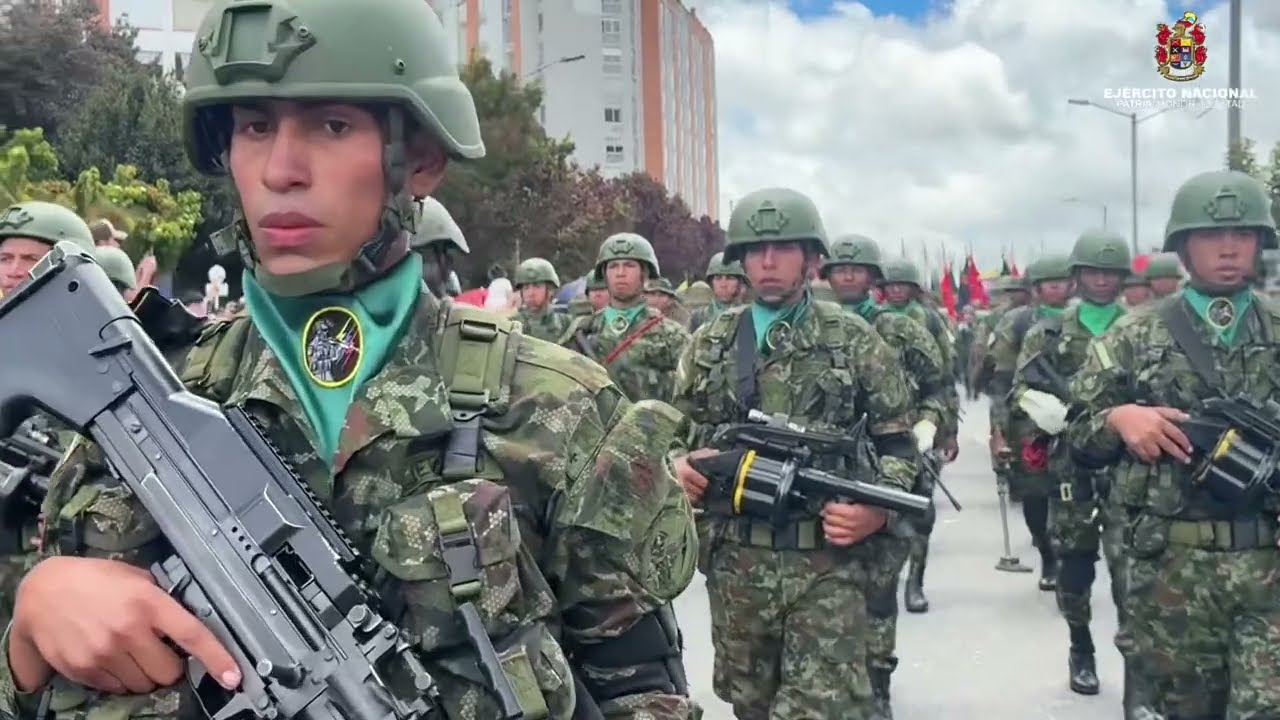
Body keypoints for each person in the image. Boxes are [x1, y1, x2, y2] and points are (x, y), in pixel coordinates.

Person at [0, 2, 698, 719]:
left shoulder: (560, 414)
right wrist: (27, 641)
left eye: (332, 126)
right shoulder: (140, 390)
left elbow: (644, 697)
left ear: (419, 160)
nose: (281, 171)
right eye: (254, 127)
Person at [671, 187, 918, 720]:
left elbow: (898, 443)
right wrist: (678, 464)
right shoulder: (709, 342)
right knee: (751, 706)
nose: (768, 262)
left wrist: (878, 510)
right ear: (740, 261)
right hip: (737, 567)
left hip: (828, 565)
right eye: (756, 251)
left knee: (819, 709)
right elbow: (675, 429)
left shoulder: (853, 340)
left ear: (810, 259)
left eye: (783, 249)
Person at [1067, 170, 1280, 719]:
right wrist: (1119, 418)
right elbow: (1078, 433)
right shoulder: (1133, 334)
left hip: (1269, 565)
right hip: (1171, 573)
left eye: (1242, 234)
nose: (1228, 248)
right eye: (1211, 236)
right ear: (1183, 247)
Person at [819, 233, 954, 718]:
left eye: (857, 269)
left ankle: (877, 685)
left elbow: (939, 388)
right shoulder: (810, 327)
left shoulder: (901, 330)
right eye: (840, 269)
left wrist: (931, 426)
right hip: (825, 474)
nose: (848, 276)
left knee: (878, 590)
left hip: (889, 469)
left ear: (873, 277)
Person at [1013, 231, 1131, 696]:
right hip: (1071, 464)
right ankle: (1080, 646)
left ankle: (1138, 664)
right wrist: (1041, 408)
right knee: (1076, 564)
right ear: (1078, 276)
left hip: (1133, 466)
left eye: (1111, 273)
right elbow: (1020, 387)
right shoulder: (1049, 332)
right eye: (1093, 272)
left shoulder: (1142, 327)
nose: (1102, 280)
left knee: (1132, 572)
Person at [0, 200, 97, 631]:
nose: (13, 271)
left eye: (30, 259)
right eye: (5, 258)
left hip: (49, 576)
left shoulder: (97, 358)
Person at [988, 255, 1074, 590]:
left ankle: (1071, 555)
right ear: (1036, 289)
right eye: (1048, 284)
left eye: (1061, 282)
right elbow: (1002, 380)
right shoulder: (1017, 322)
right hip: (1028, 420)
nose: (1056, 289)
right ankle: (1047, 554)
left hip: (1076, 416)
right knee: (1035, 493)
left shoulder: (1081, 319)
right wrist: (998, 431)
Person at [560, 233, 690, 403]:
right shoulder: (582, 331)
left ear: (644, 273)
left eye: (629, 266)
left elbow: (690, 396)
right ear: (604, 274)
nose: (620, 273)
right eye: (613, 266)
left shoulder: (672, 336)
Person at [512, 257, 570, 341]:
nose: (531, 293)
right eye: (526, 287)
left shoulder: (566, 324)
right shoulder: (511, 324)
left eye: (537, 286)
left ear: (550, 290)